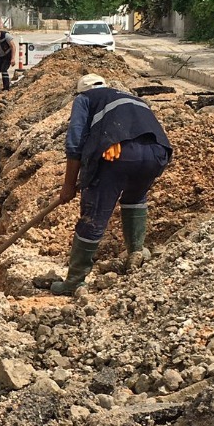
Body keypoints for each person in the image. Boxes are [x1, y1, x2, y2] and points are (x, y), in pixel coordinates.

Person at [49, 73, 173, 295]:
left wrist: (69, 184)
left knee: (94, 214)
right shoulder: (131, 98)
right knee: (135, 198)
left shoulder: (84, 99)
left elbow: (75, 142)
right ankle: (136, 253)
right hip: (157, 154)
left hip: (118, 157)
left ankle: (74, 281)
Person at [0, 23, 15, 94]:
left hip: (7, 56)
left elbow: (13, 46)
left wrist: (13, 58)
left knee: (4, 70)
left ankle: (6, 88)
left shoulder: (6, 35)